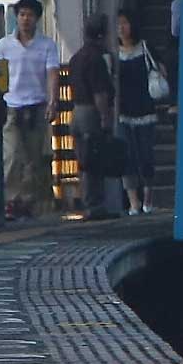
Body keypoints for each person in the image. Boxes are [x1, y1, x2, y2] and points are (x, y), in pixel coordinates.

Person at [0, 0, 60, 218]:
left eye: (30, 15)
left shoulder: (47, 45)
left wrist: (53, 101)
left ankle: (28, 201)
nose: (25, 19)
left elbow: (53, 73)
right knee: (12, 154)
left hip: (37, 105)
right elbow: (0, 76)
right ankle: (10, 200)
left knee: (34, 158)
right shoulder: (4, 45)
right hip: (11, 106)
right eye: (22, 14)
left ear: (37, 19)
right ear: (16, 17)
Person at [110, 9, 162, 216]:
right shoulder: (114, 53)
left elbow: (160, 68)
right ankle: (133, 202)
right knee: (127, 157)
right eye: (118, 24)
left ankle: (148, 199)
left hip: (146, 110)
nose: (121, 28)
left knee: (146, 156)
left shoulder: (145, 47)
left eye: (125, 23)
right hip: (123, 112)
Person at [69, 14, 116, 220]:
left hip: (76, 111)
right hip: (90, 112)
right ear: (103, 33)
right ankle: (94, 205)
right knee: (94, 158)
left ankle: (88, 202)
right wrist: (105, 117)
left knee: (83, 158)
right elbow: (100, 93)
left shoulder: (76, 57)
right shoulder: (96, 59)